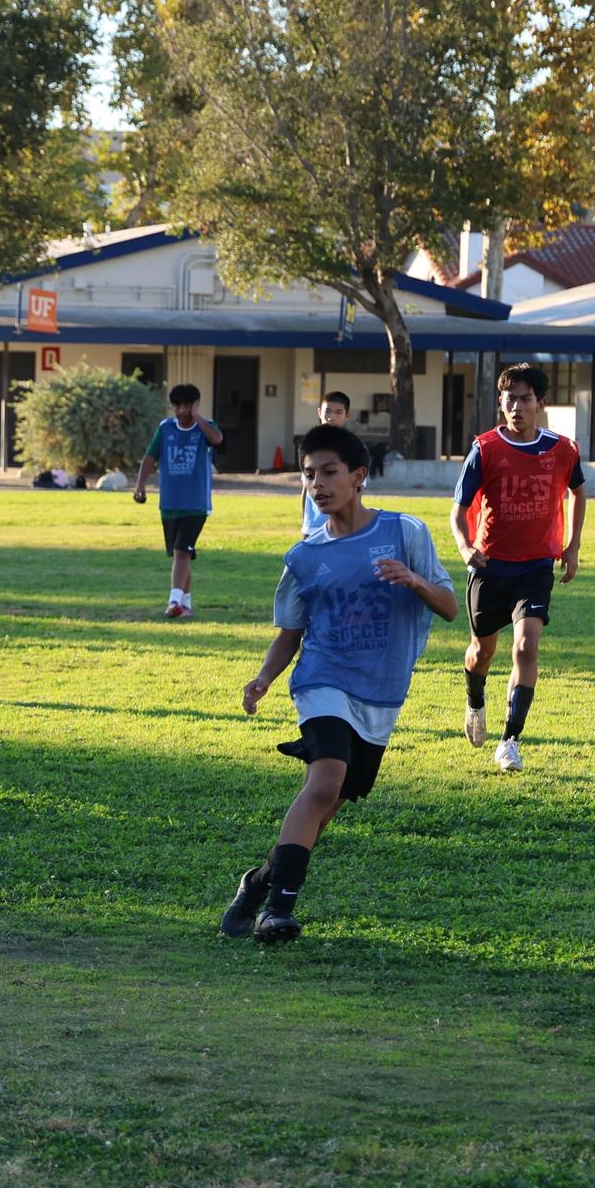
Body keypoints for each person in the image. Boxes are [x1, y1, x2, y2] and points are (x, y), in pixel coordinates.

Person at [219, 423, 456, 945]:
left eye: (329, 472)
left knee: (328, 806)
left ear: (359, 476)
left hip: (382, 690)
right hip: (321, 679)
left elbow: (450, 607)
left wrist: (414, 580)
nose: (318, 484)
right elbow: (291, 633)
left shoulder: (405, 532)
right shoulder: (304, 556)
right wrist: (263, 677)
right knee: (323, 781)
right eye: (308, 476)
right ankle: (278, 912)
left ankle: (259, 883)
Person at [450, 363, 585, 772]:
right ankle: (475, 700)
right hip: (489, 565)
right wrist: (465, 547)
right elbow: (457, 512)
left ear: (540, 404)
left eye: (525, 399)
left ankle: (509, 740)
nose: (517, 407)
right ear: (501, 403)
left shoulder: (562, 450)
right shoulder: (485, 449)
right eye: (510, 400)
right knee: (481, 652)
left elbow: (579, 492)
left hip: (536, 566)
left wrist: (573, 546)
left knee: (526, 646)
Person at [134, 383, 223, 618]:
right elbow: (149, 458)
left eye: (186, 406)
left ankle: (173, 602)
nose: (181, 411)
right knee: (180, 553)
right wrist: (140, 486)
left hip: (196, 504)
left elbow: (217, 440)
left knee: (181, 550)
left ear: (194, 405)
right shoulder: (165, 428)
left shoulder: (206, 428)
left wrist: (198, 418)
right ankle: (187, 606)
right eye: (177, 406)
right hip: (169, 503)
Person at [301, 390, 355, 537]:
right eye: (328, 412)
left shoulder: (353, 449)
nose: (332, 418)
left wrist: (351, 523)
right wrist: (305, 524)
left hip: (340, 527)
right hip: (313, 527)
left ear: (347, 416)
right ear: (319, 413)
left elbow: (357, 491)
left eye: (339, 413)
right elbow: (306, 489)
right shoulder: (310, 448)